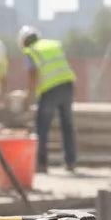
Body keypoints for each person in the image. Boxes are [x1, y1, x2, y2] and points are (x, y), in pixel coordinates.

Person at [19, 25, 78, 173]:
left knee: (42, 127)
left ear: (24, 42)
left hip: (50, 90)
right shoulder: (52, 45)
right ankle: (70, 162)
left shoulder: (31, 51)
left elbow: (33, 75)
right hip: (67, 85)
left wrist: (28, 96)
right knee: (67, 125)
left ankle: (41, 164)